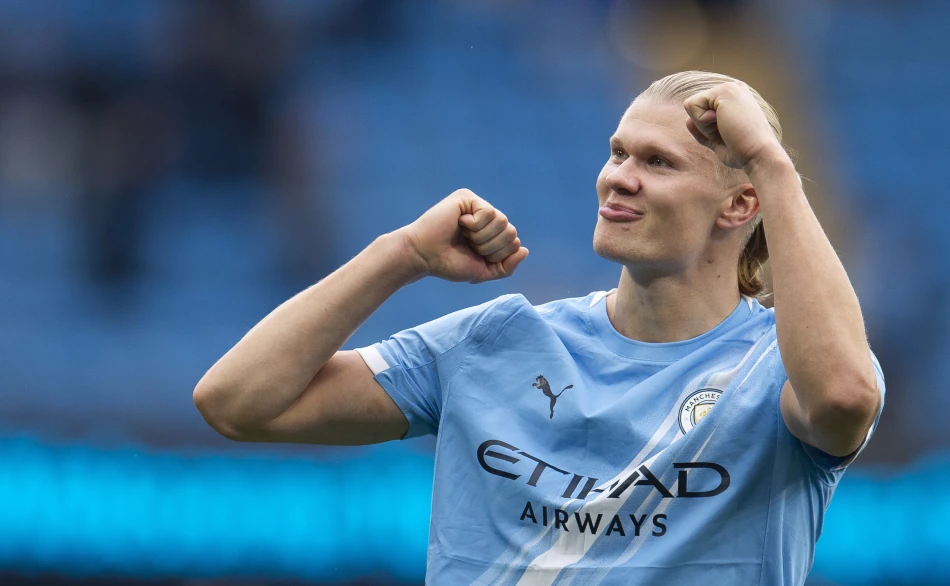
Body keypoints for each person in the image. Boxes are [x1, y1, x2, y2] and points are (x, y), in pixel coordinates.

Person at [193, 71, 885, 585]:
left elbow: (844, 399)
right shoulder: (498, 340)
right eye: (618, 153)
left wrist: (772, 163)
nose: (618, 178)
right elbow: (237, 402)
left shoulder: (779, 368)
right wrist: (399, 255)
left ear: (740, 205)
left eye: (658, 162)